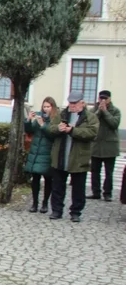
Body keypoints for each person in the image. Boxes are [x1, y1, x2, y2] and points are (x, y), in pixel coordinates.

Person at [47, 91, 99, 222]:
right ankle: (56, 211)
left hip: (79, 158)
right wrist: (58, 128)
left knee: (78, 188)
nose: (72, 106)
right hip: (60, 156)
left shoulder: (90, 117)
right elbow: (50, 128)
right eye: (70, 103)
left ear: (82, 103)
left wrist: (73, 130)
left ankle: (76, 212)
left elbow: (92, 132)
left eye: (75, 103)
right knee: (58, 186)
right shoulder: (62, 114)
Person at [24, 97, 57, 213]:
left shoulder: (55, 120)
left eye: (48, 107)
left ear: (53, 107)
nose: (46, 109)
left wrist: (43, 125)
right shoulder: (39, 118)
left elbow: (52, 135)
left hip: (48, 153)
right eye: (44, 106)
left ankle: (45, 203)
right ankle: (34, 203)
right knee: (35, 179)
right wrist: (28, 120)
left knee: (48, 179)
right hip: (36, 152)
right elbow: (29, 130)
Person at [89, 90, 121, 201]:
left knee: (109, 172)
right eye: (101, 98)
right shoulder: (94, 109)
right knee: (94, 171)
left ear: (109, 99)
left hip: (109, 147)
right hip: (96, 145)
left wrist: (106, 112)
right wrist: (99, 111)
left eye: (105, 99)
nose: (103, 101)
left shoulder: (115, 111)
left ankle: (107, 193)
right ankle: (95, 192)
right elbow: (90, 121)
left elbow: (114, 124)